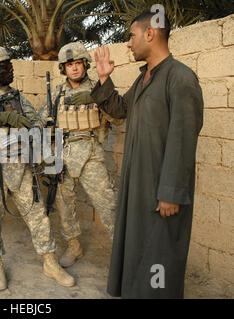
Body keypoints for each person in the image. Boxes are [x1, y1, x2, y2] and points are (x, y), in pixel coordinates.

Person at [87, 11, 203, 298]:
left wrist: (171, 192)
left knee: (160, 254)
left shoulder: (181, 78)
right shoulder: (143, 80)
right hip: (138, 186)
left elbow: (183, 139)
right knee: (140, 250)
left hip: (161, 192)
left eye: (131, 36)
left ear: (150, 34)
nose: (128, 43)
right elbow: (120, 110)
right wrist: (104, 80)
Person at [0, 47, 75, 291]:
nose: (10, 69)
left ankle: (50, 262)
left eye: (10, 65)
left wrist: (43, 121)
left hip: (19, 166)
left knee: (37, 214)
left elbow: (33, 123)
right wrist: (0, 120)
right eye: (4, 66)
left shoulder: (17, 97)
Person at [39, 42, 120, 268]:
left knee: (108, 204)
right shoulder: (55, 94)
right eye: (69, 65)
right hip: (63, 154)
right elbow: (42, 120)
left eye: (77, 63)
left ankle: (121, 250)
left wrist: (100, 96)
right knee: (65, 205)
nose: (74, 68)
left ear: (85, 64)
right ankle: (74, 246)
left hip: (91, 152)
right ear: (63, 68)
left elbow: (118, 117)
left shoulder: (98, 86)